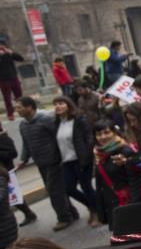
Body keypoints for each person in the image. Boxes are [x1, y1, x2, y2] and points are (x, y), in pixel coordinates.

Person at [15, 96, 77, 231]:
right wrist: (23, 159)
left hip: (54, 161)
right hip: (40, 163)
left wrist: (61, 156)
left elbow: (59, 137)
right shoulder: (23, 124)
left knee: (54, 191)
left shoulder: (46, 120)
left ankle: (64, 218)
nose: (17, 110)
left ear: (29, 107)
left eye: (19, 107)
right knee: (56, 190)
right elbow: (26, 144)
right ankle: (72, 212)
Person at [53, 96, 98, 226]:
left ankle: (96, 213)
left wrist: (87, 154)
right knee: (69, 188)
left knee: (86, 187)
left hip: (81, 160)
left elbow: (89, 137)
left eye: (61, 103)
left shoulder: (79, 119)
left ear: (68, 104)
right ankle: (92, 205)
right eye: (55, 104)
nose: (58, 106)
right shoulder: (57, 123)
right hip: (66, 161)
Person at [92, 119, 141, 226]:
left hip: (129, 202)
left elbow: (136, 179)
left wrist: (134, 205)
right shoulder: (98, 152)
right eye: (99, 134)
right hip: (113, 204)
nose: (103, 137)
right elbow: (100, 184)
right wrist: (101, 212)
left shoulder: (125, 151)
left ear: (114, 132)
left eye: (107, 132)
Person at [0, 122, 35, 226]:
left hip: (6, 172)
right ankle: (29, 213)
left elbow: (13, 153)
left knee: (11, 195)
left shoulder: (3, 138)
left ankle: (28, 213)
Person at [0, 36, 23, 121]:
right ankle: (10, 114)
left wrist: (10, 52)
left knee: (19, 96)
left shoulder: (9, 53)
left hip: (13, 77)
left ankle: (22, 110)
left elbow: (20, 59)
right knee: (7, 98)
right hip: (3, 80)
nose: (1, 47)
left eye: (3, 45)